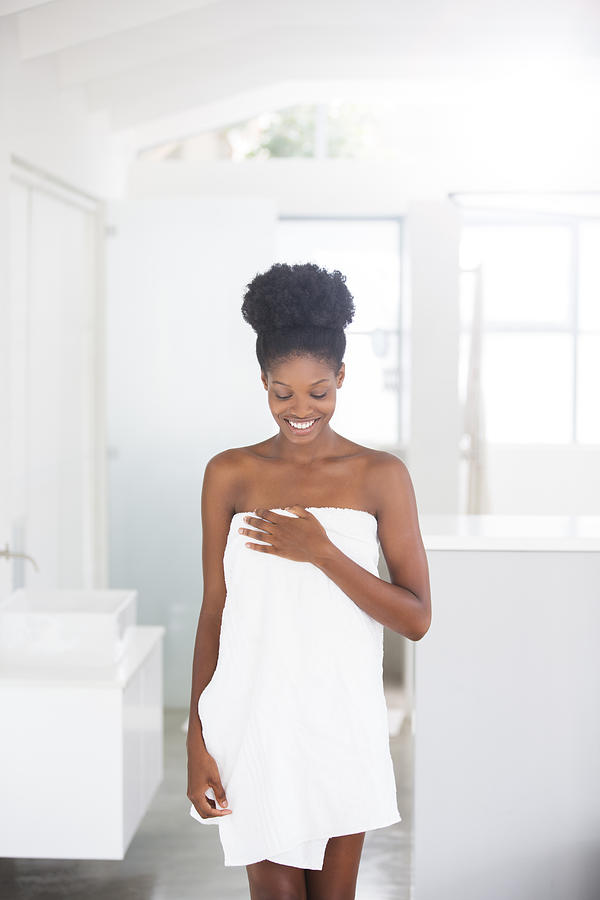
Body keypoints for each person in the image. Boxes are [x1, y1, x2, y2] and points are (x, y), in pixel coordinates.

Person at [187, 261, 431, 900]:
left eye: (318, 392)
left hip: (340, 723)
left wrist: (322, 551)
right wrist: (196, 740)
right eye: (282, 393)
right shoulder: (229, 474)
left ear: (342, 378)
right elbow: (215, 611)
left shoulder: (380, 476)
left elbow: (416, 617)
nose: (300, 410)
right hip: (254, 720)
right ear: (262, 384)